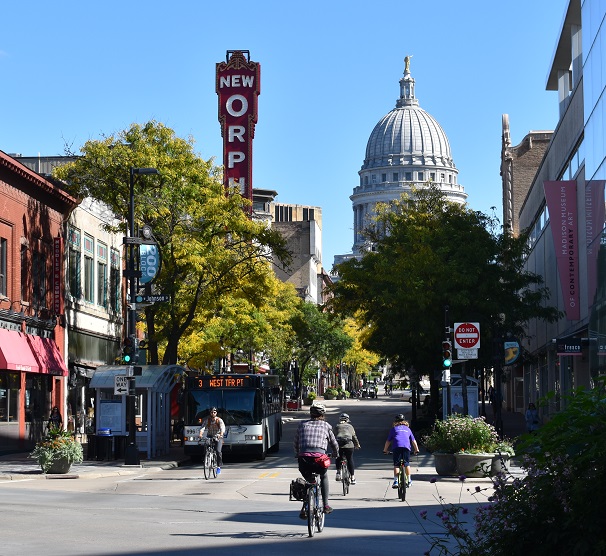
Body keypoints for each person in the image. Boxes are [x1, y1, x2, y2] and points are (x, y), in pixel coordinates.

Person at [293, 402, 340, 518]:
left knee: (309, 481)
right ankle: (326, 505)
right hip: (319, 460)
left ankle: (305, 506)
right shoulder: (326, 426)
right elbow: (334, 444)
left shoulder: (302, 425)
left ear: (310, 413)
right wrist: (335, 454)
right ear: (323, 414)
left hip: (303, 459)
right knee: (323, 476)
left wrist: (297, 453)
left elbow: (296, 443)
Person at [383, 414, 419, 488]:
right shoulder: (408, 429)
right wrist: (416, 450)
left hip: (397, 447)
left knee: (397, 464)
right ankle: (409, 480)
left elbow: (388, 441)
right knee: (406, 464)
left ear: (395, 422)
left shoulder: (394, 429)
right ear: (404, 421)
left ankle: (396, 481)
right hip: (406, 447)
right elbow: (413, 440)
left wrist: (385, 450)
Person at [334, 413, 361, 484]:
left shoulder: (337, 426)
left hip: (339, 445)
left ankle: (338, 473)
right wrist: (357, 444)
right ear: (347, 420)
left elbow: (333, 436)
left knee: (338, 457)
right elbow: (354, 436)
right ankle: (352, 477)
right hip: (349, 445)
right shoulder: (350, 426)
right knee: (350, 459)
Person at [198, 407, 226, 474]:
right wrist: (200, 434)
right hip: (210, 435)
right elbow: (202, 427)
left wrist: (221, 434)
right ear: (210, 413)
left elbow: (222, 428)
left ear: (216, 413)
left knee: (218, 451)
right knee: (206, 444)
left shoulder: (219, 420)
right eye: (211, 412)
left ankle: (218, 466)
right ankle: (206, 457)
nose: (213, 413)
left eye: (214, 412)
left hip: (218, 436)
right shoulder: (207, 420)